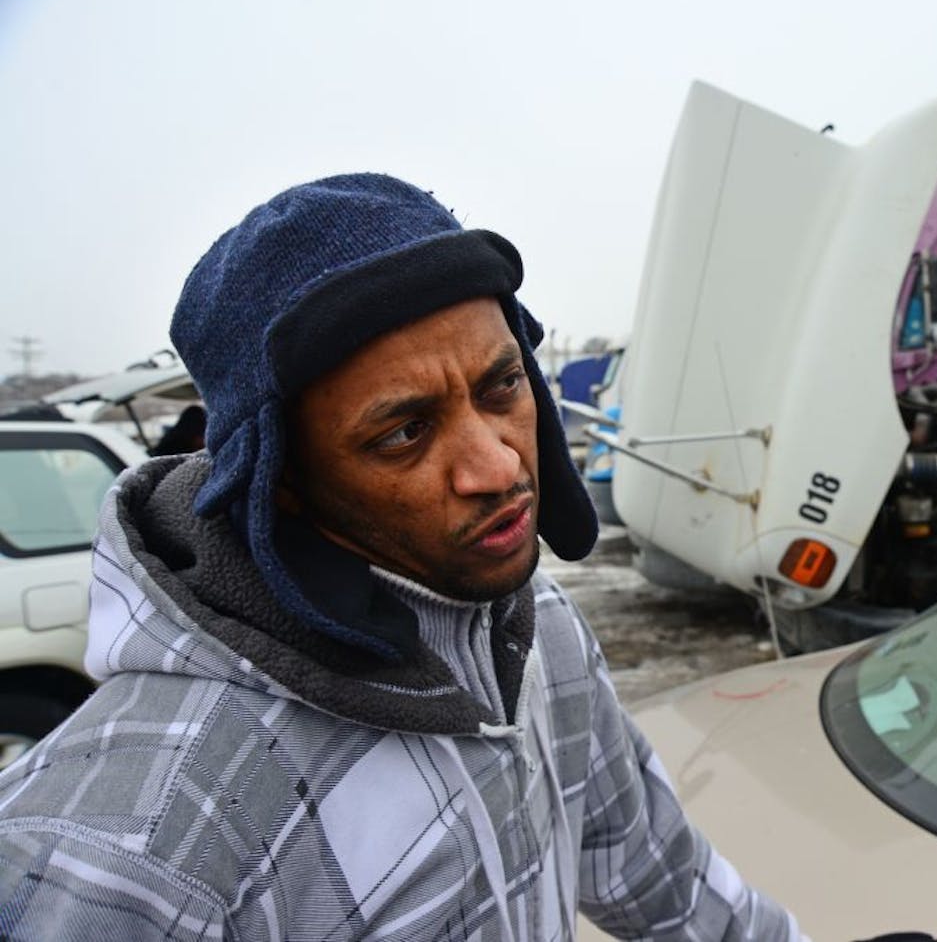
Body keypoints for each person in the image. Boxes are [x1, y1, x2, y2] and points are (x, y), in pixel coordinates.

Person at [0, 174, 800, 940]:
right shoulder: (132, 845)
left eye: (501, 388)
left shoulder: (539, 635)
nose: (496, 467)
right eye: (404, 431)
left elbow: (659, 877)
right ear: (278, 482)